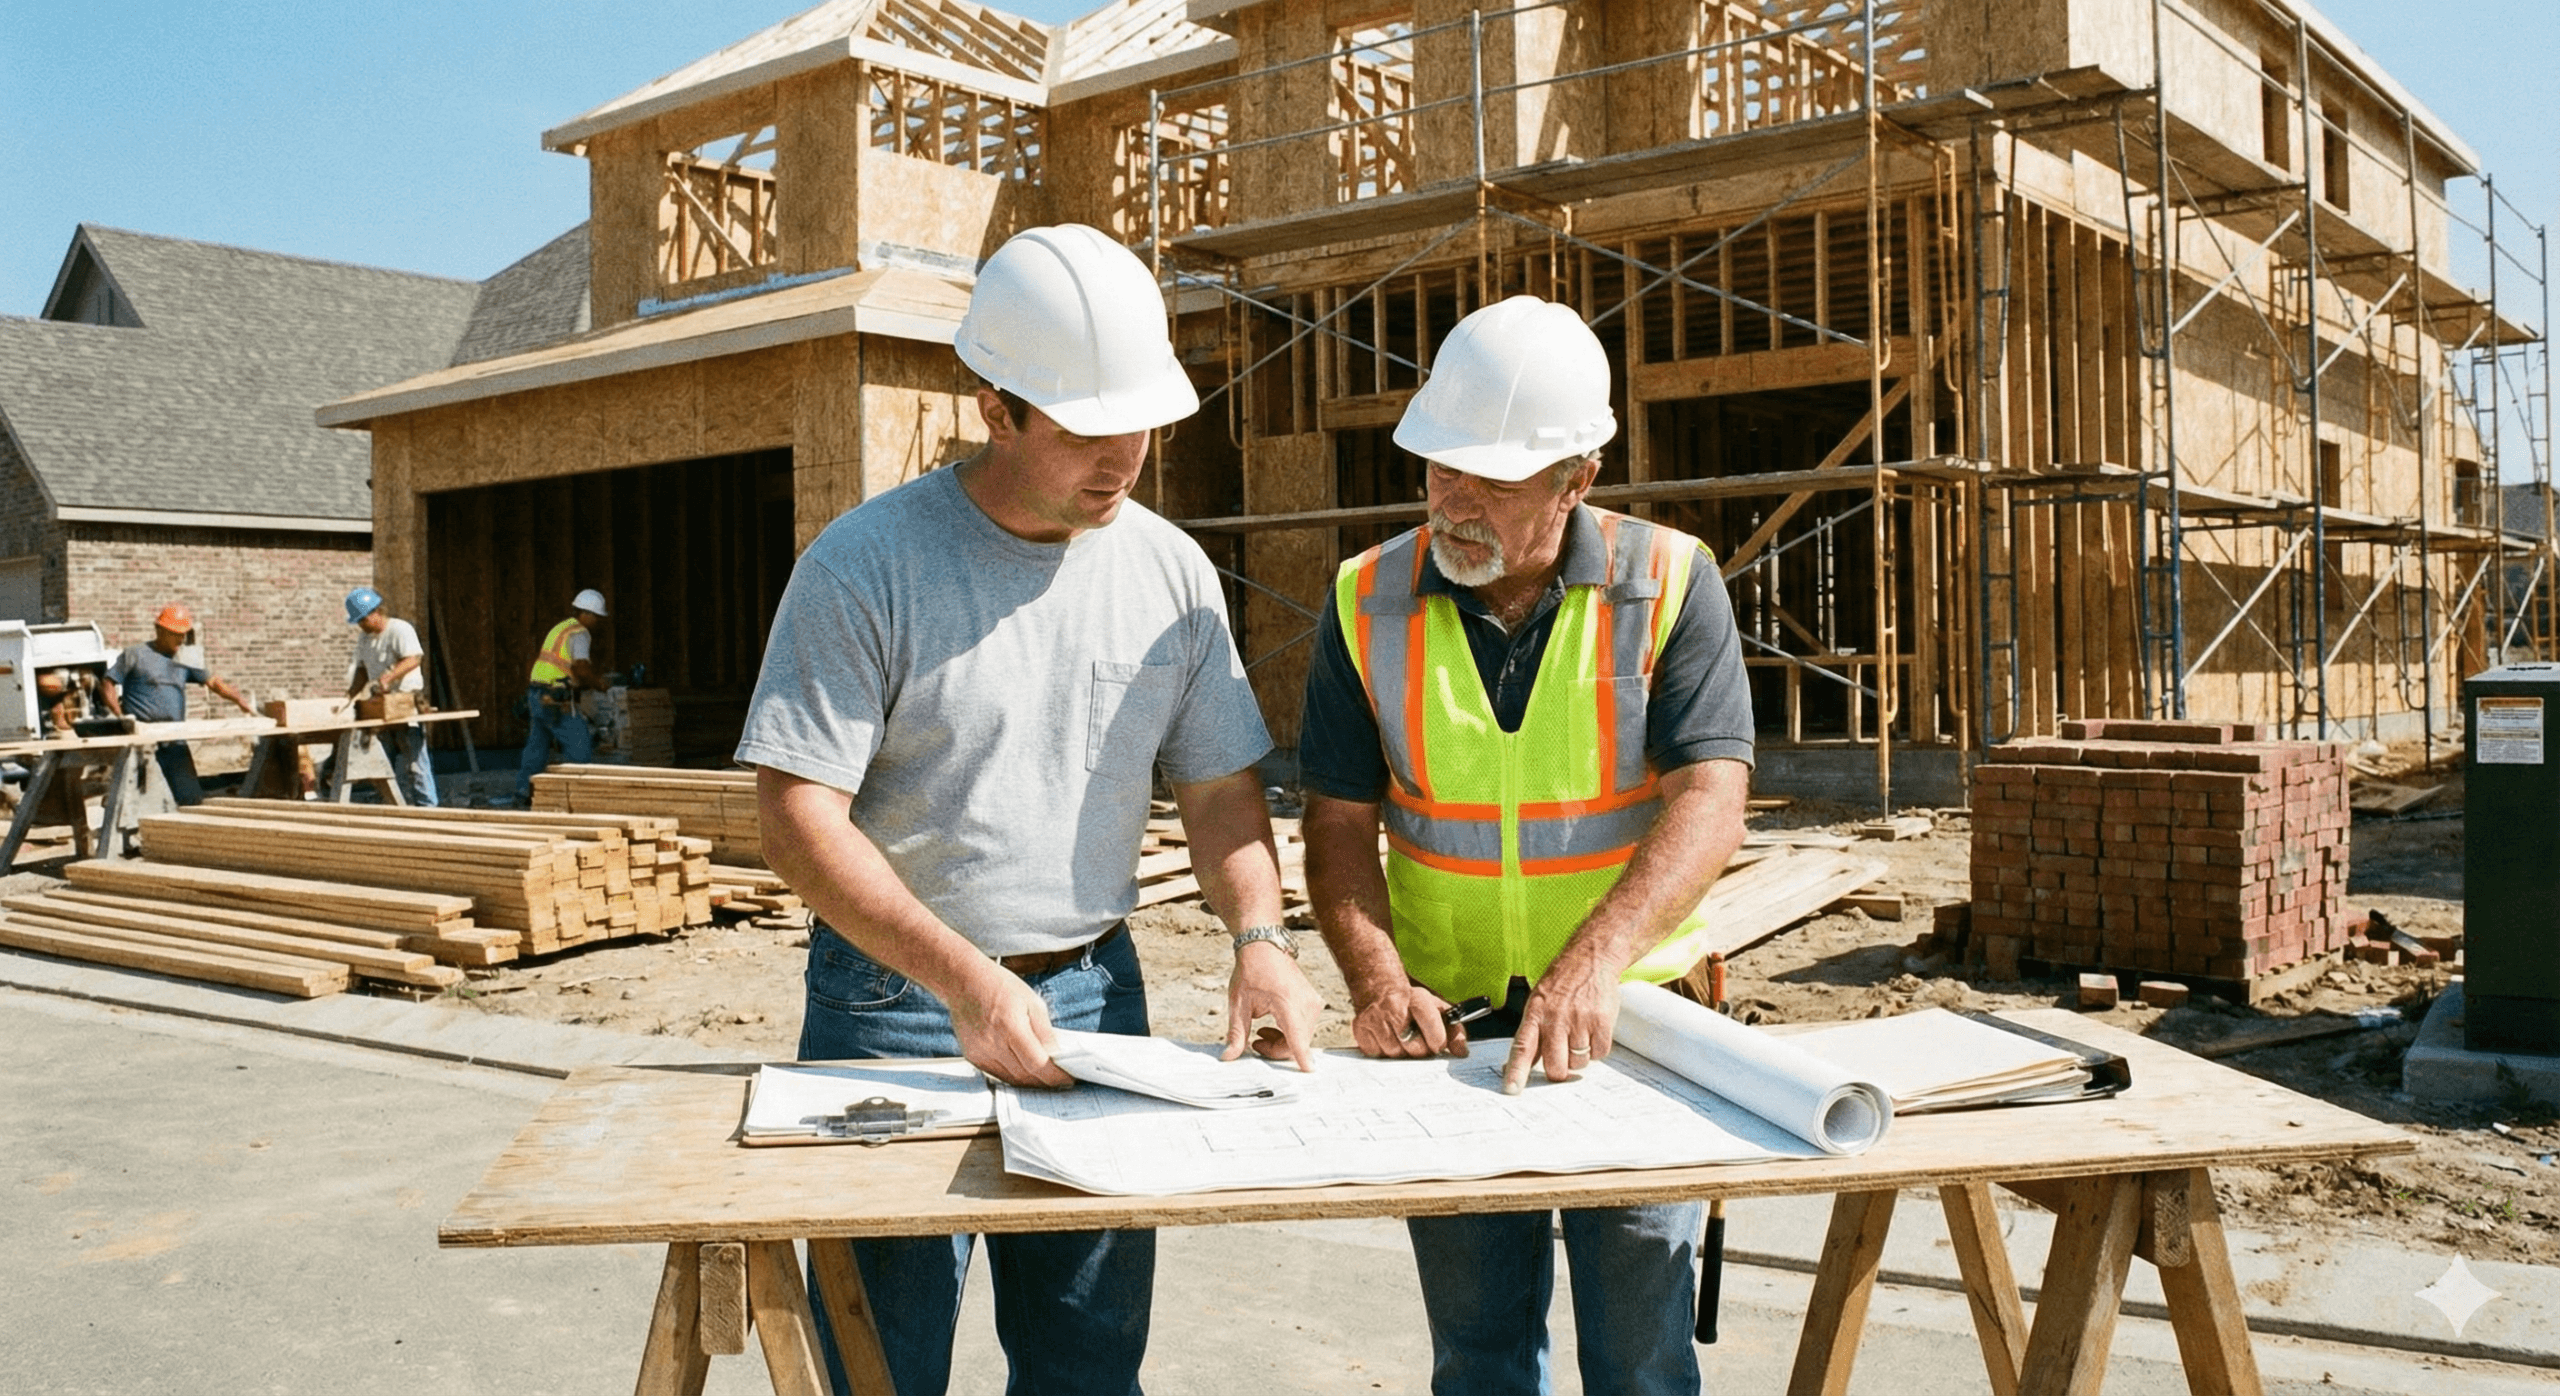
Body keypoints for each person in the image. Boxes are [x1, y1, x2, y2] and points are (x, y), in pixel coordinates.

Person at [737, 222, 1324, 1396]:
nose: (1124, 459)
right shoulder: (868, 564)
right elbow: (797, 815)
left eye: (1141, 425)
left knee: (1087, 1359)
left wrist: (1260, 938)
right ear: (994, 408)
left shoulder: (1168, 571)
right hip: (891, 1004)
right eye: (1085, 431)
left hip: (1096, 991)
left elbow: (1217, 788)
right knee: (878, 1361)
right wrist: (962, 978)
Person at [1299, 296, 1756, 1396]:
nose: (1452, 503)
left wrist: (1592, 965)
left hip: (1639, 1031)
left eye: (1491, 482)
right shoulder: (1365, 599)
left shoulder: (1671, 582)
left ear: (1577, 477)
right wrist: (1373, 977)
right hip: (1447, 1039)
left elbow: (1710, 797)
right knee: (1481, 1358)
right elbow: (1336, 822)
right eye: (1436, 470)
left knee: (1641, 1363)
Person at [101, 603, 258, 807]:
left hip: (174, 740)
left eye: (184, 634)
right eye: (175, 634)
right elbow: (108, 682)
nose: (181, 639)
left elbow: (213, 682)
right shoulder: (135, 655)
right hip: (142, 741)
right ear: (159, 630)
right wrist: (119, 715)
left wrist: (238, 700)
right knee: (136, 800)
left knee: (189, 798)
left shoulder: (185, 658)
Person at [342, 586, 437, 807]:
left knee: (415, 762)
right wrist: (348, 697)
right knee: (382, 762)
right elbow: (363, 670)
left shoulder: (400, 629)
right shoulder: (365, 639)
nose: (361, 625)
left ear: (376, 612)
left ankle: (428, 808)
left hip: (404, 701)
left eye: (363, 620)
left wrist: (388, 679)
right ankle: (389, 805)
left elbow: (413, 659)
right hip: (380, 706)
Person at [516, 588, 607, 807]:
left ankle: (521, 796)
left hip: (537, 694)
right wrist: (600, 684)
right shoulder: (580, 633)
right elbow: (582, 668)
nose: (597, 622)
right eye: (597, 617)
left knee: (536, 748)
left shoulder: (561, 628)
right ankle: (578, 801)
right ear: (588, 614)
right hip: (556, 699)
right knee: (580, 748)